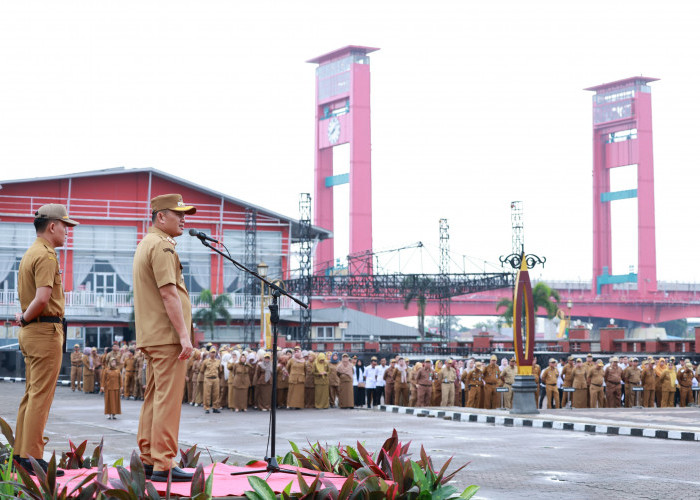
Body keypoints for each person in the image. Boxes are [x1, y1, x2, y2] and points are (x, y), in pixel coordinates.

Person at [132, 193, 196, 482]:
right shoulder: (162, 247)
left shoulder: (147, 243)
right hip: (167, 337)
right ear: (161, 216)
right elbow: (169, 293)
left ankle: (148, 458)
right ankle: (164, 463)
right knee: (167, 401)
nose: (184, 219)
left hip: (153, 335)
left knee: (154, 399)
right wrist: (184, 336)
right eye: (178, 213)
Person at [12, 204, 78, 476]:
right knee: (41, 397)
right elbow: (42, 299)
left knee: (31, 395)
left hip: (33, 332)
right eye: (65, 226)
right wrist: (27, 318)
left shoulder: (31, 253)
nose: (67, 231)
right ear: (52, 226)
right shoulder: (47, 256)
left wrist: (25, 318)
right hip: (43, 331)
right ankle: (33, 459)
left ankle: (20, 455)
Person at [201, 347, 222, 414]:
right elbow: (202, 370)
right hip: (208, 379)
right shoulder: (206, 361)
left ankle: (215, 407)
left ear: (216, 353)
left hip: (215, 379)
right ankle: (207, 408)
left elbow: (220, 370)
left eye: (214, 352)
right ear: (209, 353)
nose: (213, 354)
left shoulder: (218, 361)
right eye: (212, 352)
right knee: (207, 394)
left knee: (216, 394)